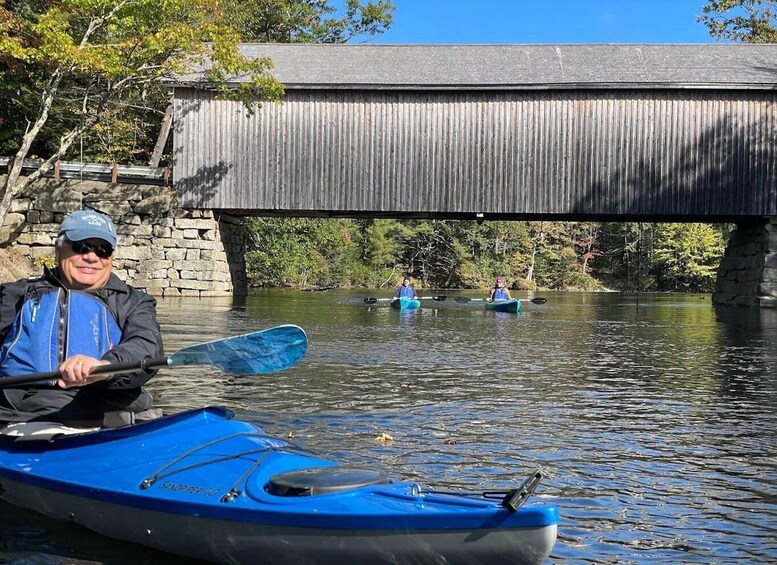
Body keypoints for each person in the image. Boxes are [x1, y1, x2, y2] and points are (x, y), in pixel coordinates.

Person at [0, 209, 164, 428]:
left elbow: (144, 346)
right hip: (16, 414)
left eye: (102, 250)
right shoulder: (16, 294)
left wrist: (105, 367)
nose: (91, 257)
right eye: (81, 247)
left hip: (102, 413)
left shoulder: (135, 303)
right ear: (58, 250)